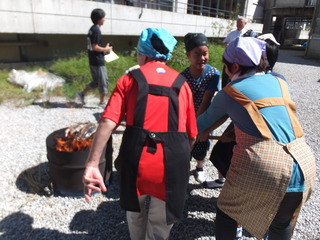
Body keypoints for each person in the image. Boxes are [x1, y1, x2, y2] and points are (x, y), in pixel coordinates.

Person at [82, 28, 197, 240]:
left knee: (135, 213)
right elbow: (191, 136)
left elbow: (108, 121)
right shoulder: (183, 84)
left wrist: (92, 164)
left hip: (137, 161)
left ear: (143, 53)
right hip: (171, 165)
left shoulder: (129, 79)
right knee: (160, 223)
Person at [197, 37, 316, 240]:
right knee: (281, 222)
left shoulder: (230, 92)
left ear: (234, 66)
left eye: (225, 66)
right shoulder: (280, 82)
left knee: (228, 214)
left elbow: (200, 126)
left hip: (265, 165)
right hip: (304, 163)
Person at [180, 33, 221, 183]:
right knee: (186, 147)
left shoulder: (213, 74)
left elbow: (206, 101)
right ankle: (183, 169)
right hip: (187, 117)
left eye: (205, 53)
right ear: (188, 55)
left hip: (206, 117)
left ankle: (199, 167)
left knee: (203, 145)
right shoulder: (182, 76)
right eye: (197, 54)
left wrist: (197, 127)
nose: (202, 58)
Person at [77, 8, 113, 108]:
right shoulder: (96, 30)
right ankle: (102, 103)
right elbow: (95, 47)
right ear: (99, 19)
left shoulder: (91, 29)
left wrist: (105, 49)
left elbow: (93, 47)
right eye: (103, 17)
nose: (104, 19)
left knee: (97, 82)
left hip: (92, 60)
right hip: (98, 61)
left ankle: (81, 94)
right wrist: (106, 48)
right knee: (103, 81)